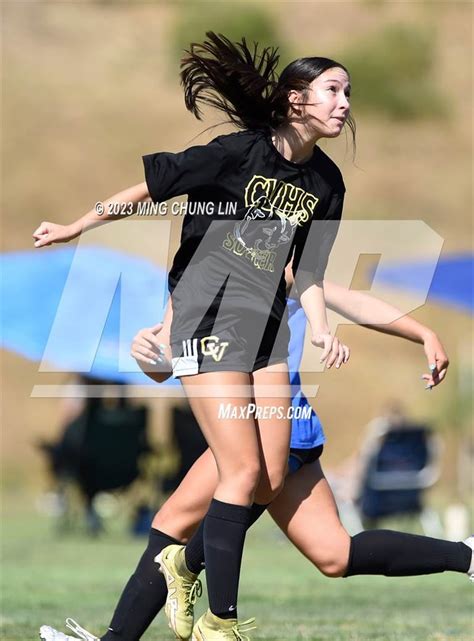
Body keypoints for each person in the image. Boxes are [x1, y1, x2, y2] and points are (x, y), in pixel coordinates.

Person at [34, 32, 354, 639]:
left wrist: (319, 322)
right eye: (332, 90)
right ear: (295, 101)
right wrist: (79, 224)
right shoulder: (237, 153)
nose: (344, 103)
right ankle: (219, 622)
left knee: (267, 477)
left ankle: (171, 576)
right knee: (238, 473)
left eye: (347, 93)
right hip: (208, 322)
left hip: (265, 336)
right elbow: (151, 190)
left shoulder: (328, 183)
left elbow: (308, 271)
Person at [39, 273, 473, 641]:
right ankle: (468, 556)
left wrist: (425, 332)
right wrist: (147, 352)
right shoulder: (192, 278)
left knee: (172, 527)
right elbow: (168, 365)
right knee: (335, 554)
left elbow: (349, 301)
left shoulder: (263, 260)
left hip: (272, 424)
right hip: (259, 426)